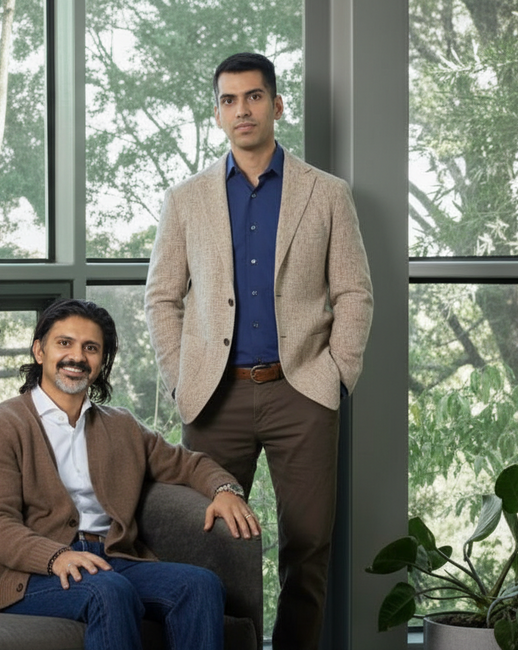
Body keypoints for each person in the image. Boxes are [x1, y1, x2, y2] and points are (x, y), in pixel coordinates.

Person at [144, 53, 373, 650]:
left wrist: (337, 374)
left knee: (308, 543)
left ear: (276, 105)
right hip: (215, 396)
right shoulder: (186, 199)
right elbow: (162, 298)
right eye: (229, 100)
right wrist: (181, 379)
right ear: (217, 113)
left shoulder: (326, 193)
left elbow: (354, 291)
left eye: (253, 97)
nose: (241, 110)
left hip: (303, 390)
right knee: (212, 541)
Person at [0, 298, 261, 650]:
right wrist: (56, 557)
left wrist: (224, 489)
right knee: (108, 591)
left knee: (200, 585)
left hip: (114, 560)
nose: (77, 356)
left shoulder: (121, 426)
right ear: (39, 351)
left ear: (101, 361)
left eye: (91, 348)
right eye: (64, 343)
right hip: (31, 576)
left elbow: (188, 463)